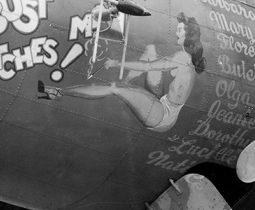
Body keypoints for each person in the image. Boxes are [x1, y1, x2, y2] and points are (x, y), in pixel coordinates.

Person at [38, 13, 205, 132]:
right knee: (151, 49)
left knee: (114, 88)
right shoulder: (186, 57)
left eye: (180, 30)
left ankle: (57, 92)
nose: (177, 32)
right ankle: (127, 86)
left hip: (162, 116)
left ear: (188, 34)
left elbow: (149, 67)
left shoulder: (183, 57)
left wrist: (117, 63)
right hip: (164, 104)